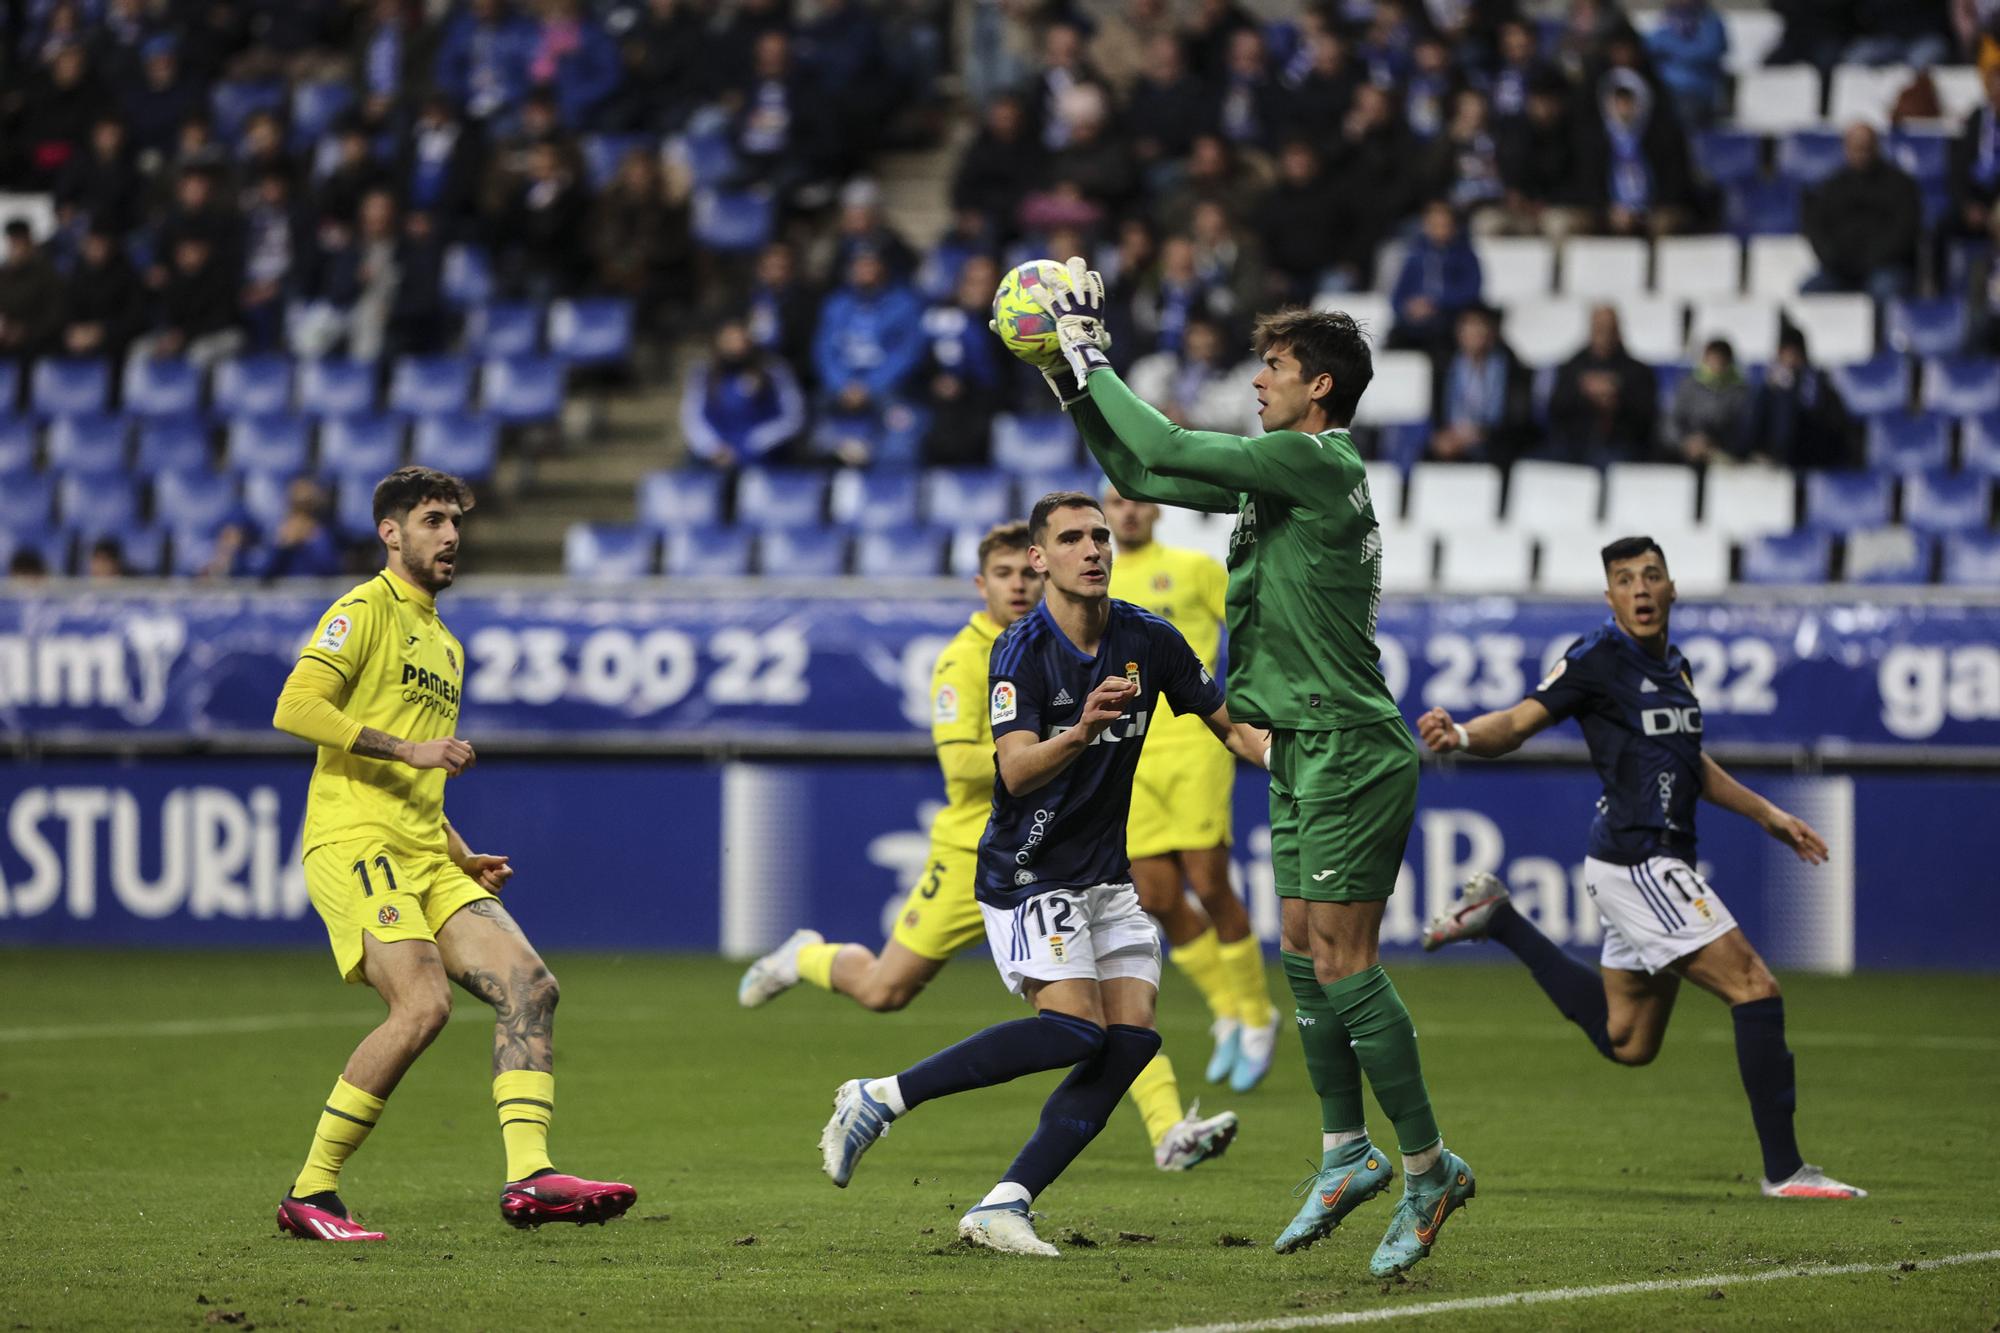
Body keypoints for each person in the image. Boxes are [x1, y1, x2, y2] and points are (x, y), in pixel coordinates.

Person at [1035, 260, 1476, 1276]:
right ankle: (1342, 1149)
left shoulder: (1316, 464)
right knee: (1296, 950)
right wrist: (1068, 387)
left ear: (1318, 387)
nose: (1258, 383)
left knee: (1345, 960)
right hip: (1294, 745)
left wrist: (1088, 354)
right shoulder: (1284, 474)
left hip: (1347, 745)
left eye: (1272, 367)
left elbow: (1165, 442)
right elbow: (1142, 475)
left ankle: (1426, 1166)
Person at [815, 492, 1269, 1256]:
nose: (1093, 548)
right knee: (1071, 1029)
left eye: (1099, 535)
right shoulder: (1019, 649)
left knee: (1129, 1042)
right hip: (1028, 868)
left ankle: (1004, 1202)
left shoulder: (1149, 637)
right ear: (1040, 557)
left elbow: (1233, 727)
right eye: (1072, 538)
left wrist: (1290, 757)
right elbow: (1016, 770)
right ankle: (882, 1096)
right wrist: (1085, 727)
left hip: (1103, 875)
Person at [1415, 535, 1867, 1203]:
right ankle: (1787, 1171)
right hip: (1639, 857)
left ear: (1673, 588)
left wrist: (1767, 814)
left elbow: (1692, 765)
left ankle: (1500, 919)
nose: (1641, 589)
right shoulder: (1598, 657)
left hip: (1645, 860)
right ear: (1610, 598)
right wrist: (1461, 736)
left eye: (1652, 576)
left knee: (1629, 1040)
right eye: (1625, 580)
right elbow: (1517, 720)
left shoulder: (1676, 668)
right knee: (1754, 985)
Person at [270, 466, 634, 1242]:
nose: (450, 536)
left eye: (455, 523)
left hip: (425, 852)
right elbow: (295, 704)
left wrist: (461, 853)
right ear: (391, 532)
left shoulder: (442, 641)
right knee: (423, 1004)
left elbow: (419, 782)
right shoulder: (362, 609)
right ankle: (311, 1190)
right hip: (356, 841)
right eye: (433, 520)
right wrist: (408, 746)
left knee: (531, 986)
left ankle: (530, 1176)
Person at [1103, 485, 1278, 1092]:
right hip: (1129, 756)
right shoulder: (1096, 580)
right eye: (1114, 503)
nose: (1126, 511)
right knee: (1155, 896)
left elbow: (1252, 630)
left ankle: (1258, 1015)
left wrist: (1252, 706)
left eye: (1135, 502)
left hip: (1196, 746)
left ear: (1154, 509)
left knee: (1207, 882)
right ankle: (1226, 1009)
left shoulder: (1194, 570)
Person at [1802, 123, 1921, 302]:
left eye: (1866, 147)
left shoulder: (1900, 184)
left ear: (1876, 146)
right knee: (1810, 291)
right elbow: (1818, 230)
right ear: (1846, 149)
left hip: (1884, 266)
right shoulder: (1832, 186)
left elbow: (1904, 232)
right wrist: (1836, 258)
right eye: (1856, 148)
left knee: (1885, 288)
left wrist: (1870, 259)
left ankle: (1880, 330)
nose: (1861, 153)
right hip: (1840, 268)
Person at [679, 318, 807, 469]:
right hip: (717, 453)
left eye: (741, 339)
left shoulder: (774, 371)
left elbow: (793, 417)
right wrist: (712, 448)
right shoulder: (704, 374)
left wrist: (749, 447)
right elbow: (693, 417)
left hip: (764, 453)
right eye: (730, 340)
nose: (737, 345)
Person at [1545, 304, 1657, 465]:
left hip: (1621, 446)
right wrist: (1584, 393)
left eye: (1609, 329)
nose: (1604, 335)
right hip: (1574, 444)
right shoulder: (1571, 368)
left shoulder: (1638, 372)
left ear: (1618, 331)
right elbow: (1556, 410)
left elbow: (1646, 420)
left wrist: (1616, 397)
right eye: (1599, 328)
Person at [1663, 338, 1749, 465]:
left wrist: (1714, 445)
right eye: (1713, 359)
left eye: (1721, 361)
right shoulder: (1687, 385)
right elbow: (1671, 421)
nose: (1716, 365)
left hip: (1722, 451)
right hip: (1685, 450)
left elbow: (1742, 428)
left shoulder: (1739, 391)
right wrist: (1686, 443)